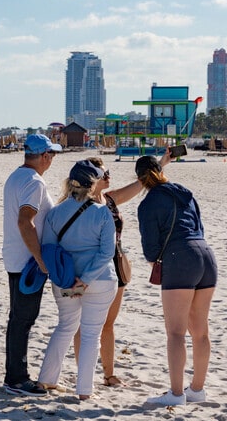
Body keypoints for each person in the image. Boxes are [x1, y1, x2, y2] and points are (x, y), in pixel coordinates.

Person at [72, 154, 170, 387]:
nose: (109, 175)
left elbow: (141, 184)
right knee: (82, 323)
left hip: (116, 266)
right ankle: (83, 374)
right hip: (86, 267)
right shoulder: (76, 204)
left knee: (108, 323)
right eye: (104, 173)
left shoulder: (110, 199)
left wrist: (162, 164)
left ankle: (108, 374)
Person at [135, 155, 218, 406]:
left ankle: (176, 394)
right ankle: (197, 390)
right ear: (161, 171)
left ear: (140, 179)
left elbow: (150, 247)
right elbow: (198, 226)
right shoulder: (185, 193)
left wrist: (159, 265)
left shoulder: (148, 203)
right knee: (200, 332)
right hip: (205, 254)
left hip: (180, 257)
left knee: (175, 333)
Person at [37, 160, 117, 401]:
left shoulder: (55, 212)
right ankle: (84, 391)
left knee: (65, 327)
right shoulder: (102, 212)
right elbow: (107, 252)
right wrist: (86, 279)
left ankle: (47, 379)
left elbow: (49, 249)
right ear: (92, 184)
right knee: (91, 334)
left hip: (65, 281)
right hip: (99, 282)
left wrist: (73, 279)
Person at [2, 133, 62, 396]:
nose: (53, 160)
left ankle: (13, 375)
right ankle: (16, 378)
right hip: (27, 261)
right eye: (53, 155)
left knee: (18, 319)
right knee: (23, 319)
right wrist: (40, 259)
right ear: (45, 156)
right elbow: (25, 221)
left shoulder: (16, 176)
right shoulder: (34, 182)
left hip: (16, 257)